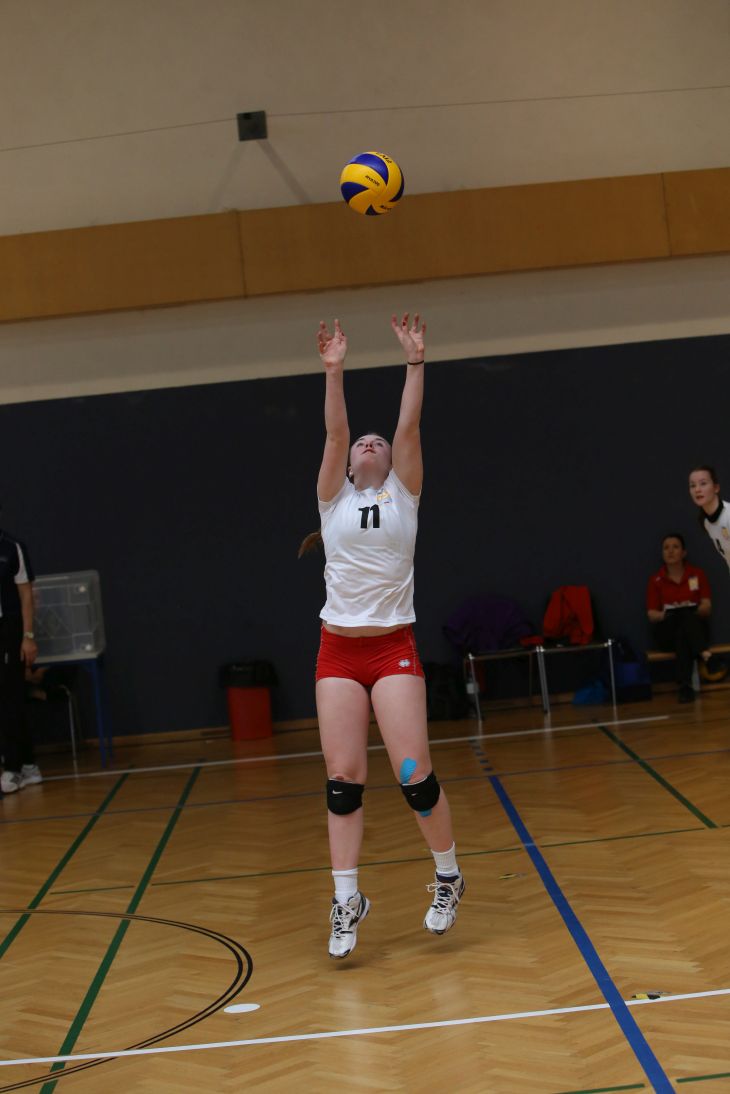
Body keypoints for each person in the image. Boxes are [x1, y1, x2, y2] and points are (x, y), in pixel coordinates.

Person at [310, 313, 464, 960]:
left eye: (378, 443)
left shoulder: (405, 495)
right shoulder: (333, 500)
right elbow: (335, 429)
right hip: (339, 651)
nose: (371, 444)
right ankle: (347, 899)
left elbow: (408, 427)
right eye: (362, 445)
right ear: (349, 465)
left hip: (393, 646)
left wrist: (416, 361)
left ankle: (449, 877)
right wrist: (334, 370)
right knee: (342, 780)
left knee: (413, 774)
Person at [646, 532, 726, 703]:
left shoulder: (696, 574)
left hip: (693, 626)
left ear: (684, 553)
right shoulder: (656, 580)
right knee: (680, 619)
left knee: (683, 631)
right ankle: (706, 656)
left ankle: (685, 687)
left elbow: (706, 606)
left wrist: (691, 607)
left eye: (675, 547)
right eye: (666, 548)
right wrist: (668, 612)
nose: (670, 551)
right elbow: (652, 614)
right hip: (667, 629)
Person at [0, 518, 43, 793]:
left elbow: (26, 595)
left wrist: (27, 636)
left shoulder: (12, 547)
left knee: (10, 696)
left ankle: (14, 767)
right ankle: (28, 764)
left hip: (9, 629)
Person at [688, 465, 730, 572]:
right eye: (692, 485)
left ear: (716, 488)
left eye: (703, 483)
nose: (697, 489)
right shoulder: (706, 522)